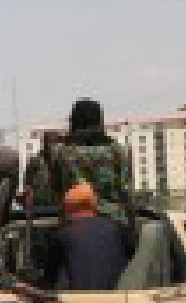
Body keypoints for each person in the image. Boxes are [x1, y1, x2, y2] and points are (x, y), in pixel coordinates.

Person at [25, 99, 135, 228]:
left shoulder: (62, 153)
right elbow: (126, 193)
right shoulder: (119, 151)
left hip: (74, 223)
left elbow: (53, 192)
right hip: (115, 221)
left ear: (75, 123)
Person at [46, 182, 129, 291]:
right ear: (94, 206)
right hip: (119, 300)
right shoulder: (117, 229)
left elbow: (49, 279)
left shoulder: (63, 236)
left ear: (68, 208)